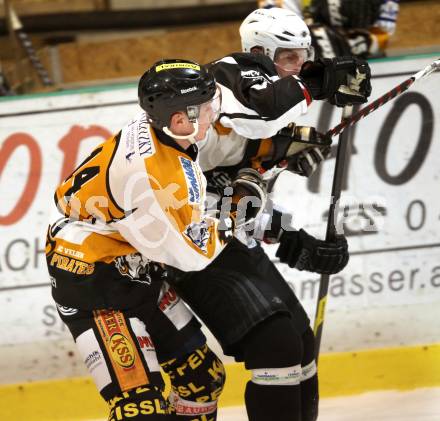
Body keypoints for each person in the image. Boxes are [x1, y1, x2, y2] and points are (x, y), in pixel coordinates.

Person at [163, 8, 372, 421]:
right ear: (259, 52)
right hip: (177, 243)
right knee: (274, 346)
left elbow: (239, 197)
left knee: (298, 340)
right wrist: (316, 83)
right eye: (291, 58)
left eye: (305, 56)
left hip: (217, 234)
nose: (302, 66)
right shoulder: (222, 82)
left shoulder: (265, 121)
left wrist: (293, 238)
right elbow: (195, 203)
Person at [45, 59, 233, 421]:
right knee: (139, 410)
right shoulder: (156, 178)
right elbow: (193, 256)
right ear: (180, 120)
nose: (216, 114)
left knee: (202, 380)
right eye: (208, 108)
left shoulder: (159, 125)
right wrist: (237, 213)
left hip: (134, 263)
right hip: (93, 278)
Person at [258, 0, 400, 58]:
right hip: (314, 69)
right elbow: (281, 31)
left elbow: (383, 34)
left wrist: (357, 45)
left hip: (369, 64)